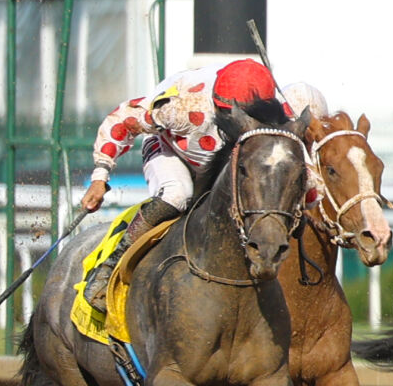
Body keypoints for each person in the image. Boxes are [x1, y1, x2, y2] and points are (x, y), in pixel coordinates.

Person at [77, 59, 316, 311]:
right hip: (171, 148)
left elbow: (303, 174)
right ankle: (108, 270)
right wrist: (100, 175)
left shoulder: (278, 114)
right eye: (232, 116)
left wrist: (308, 196)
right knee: (178, 195)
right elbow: (122, 120)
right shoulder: (183, 108)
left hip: (227, 158)